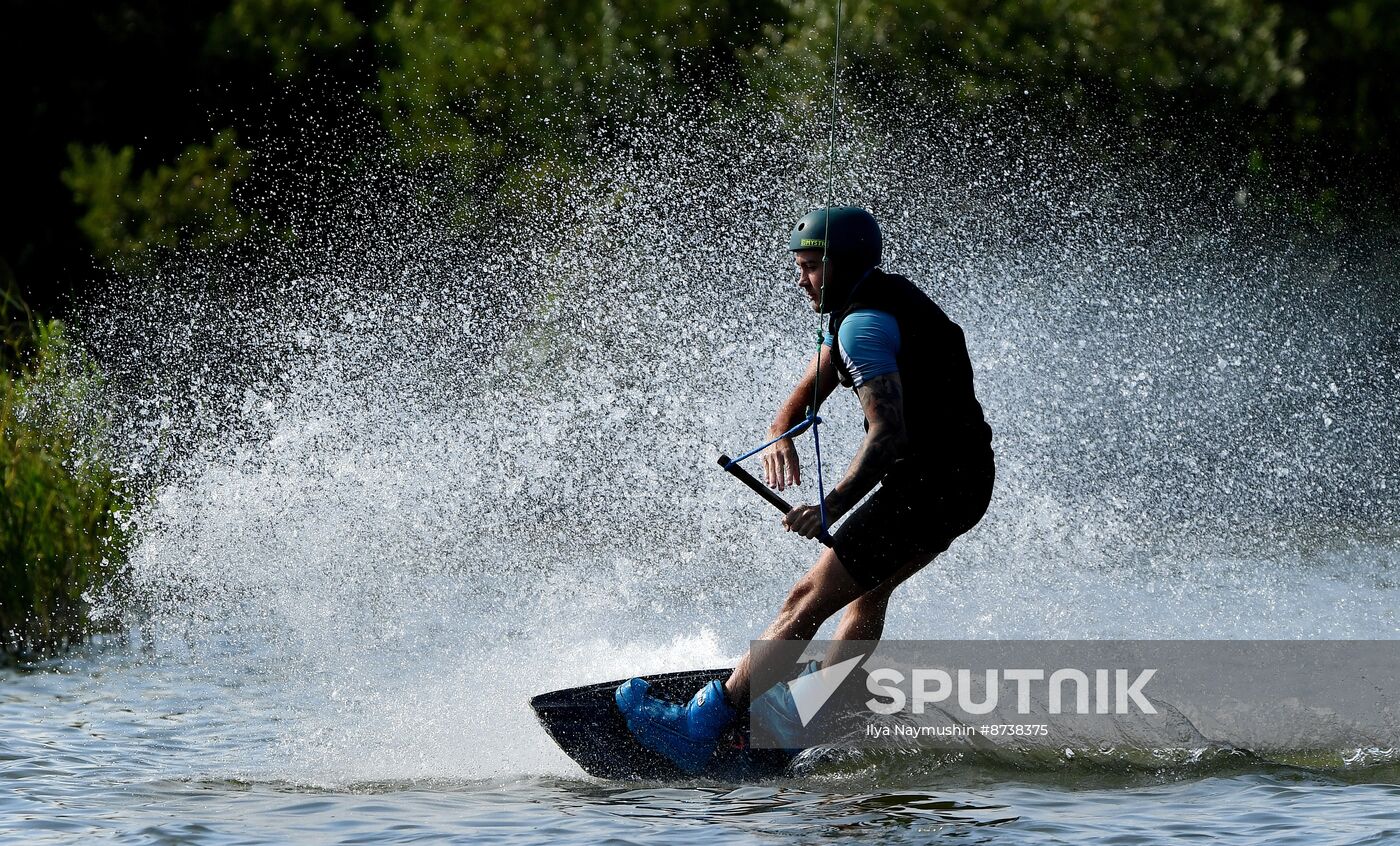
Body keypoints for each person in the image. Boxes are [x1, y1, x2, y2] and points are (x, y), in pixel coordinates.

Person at [615, 206, 995, 773]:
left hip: (926, 487)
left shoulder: (862, 327)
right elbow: (813, 385)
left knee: (805, 600)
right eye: (800, 266)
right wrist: (779, 432)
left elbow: (888, 435)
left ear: (842, 266)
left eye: (812, 267)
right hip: (967, 484)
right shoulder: (881, 300)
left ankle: (701, 726)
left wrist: (830, 506)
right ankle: (799, 718)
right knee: (869, 590)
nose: (801, 281)